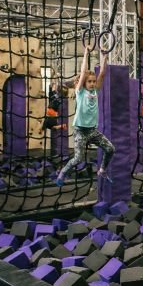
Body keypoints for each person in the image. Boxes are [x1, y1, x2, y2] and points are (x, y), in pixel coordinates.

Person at [56, 49, 115, 186]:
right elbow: (83, 73)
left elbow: (102, 73)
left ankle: (102, 170)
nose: (93, 83)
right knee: (78, 158)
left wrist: (105, 57)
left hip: (92, 131)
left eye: (94, 82)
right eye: (89, 82)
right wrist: (86, 53)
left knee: (110, 149)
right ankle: (63, 172)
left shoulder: (95, 90)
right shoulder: (80, 91)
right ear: (84, 83)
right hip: (80, 130)